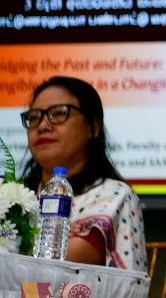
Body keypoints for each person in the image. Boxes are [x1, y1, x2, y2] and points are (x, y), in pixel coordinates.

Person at [21, 75, 147, 272]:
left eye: (59, 113)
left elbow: (68, 260)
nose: (43, 125)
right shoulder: (15, 196)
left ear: (93, 127)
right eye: (34, 117)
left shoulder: (113, 195)